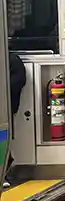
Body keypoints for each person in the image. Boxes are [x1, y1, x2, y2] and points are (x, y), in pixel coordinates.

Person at [4, 51, 26, 188]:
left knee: (4, 140)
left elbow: (18, 81)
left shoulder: (11, 59)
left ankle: (4, 173)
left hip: (6, 108)